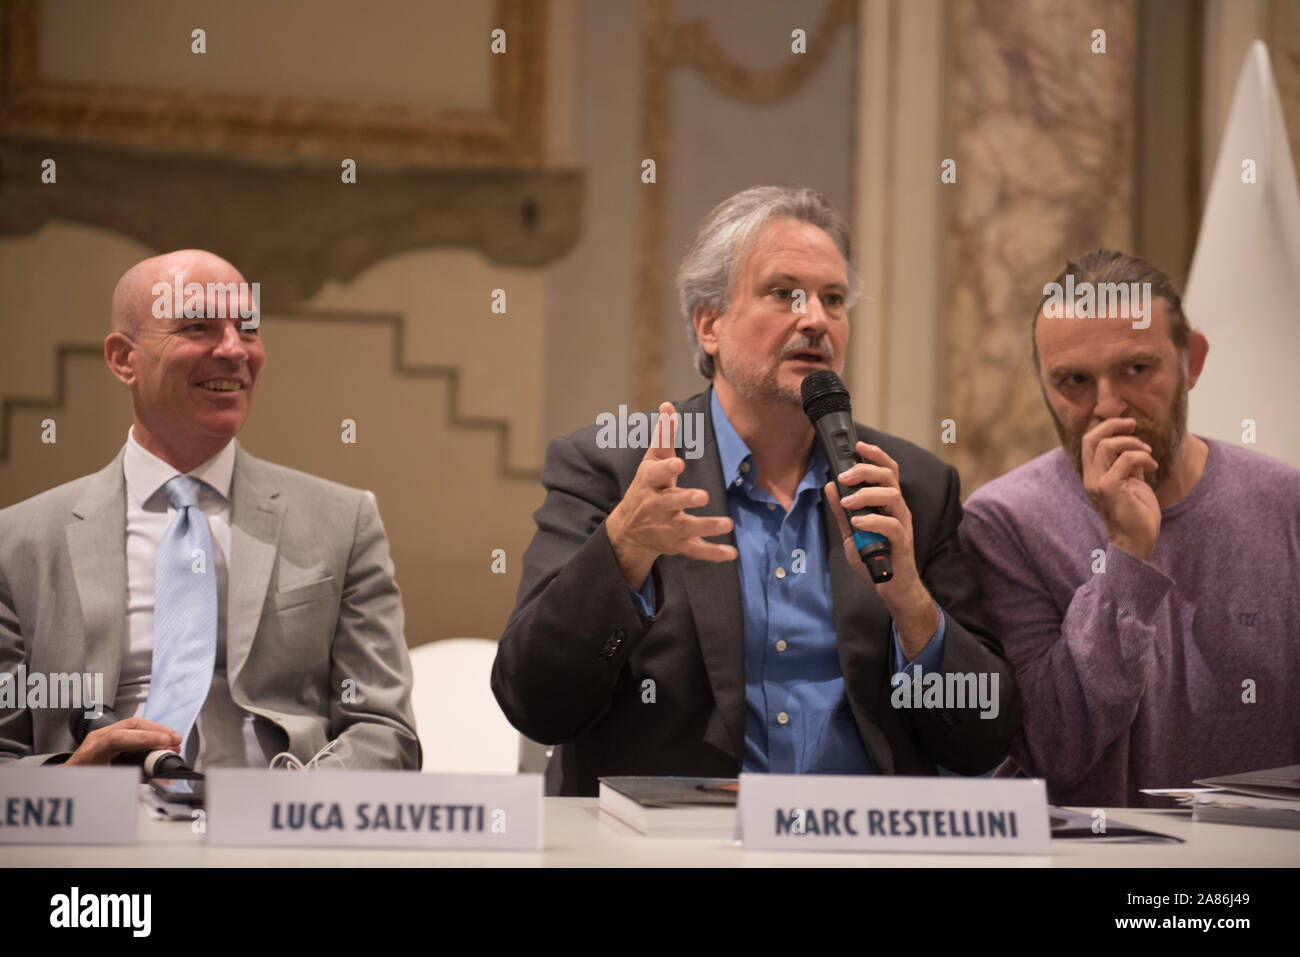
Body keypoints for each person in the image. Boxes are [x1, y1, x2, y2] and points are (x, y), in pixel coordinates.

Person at [493, 186, 1019, 796]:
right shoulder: (613, 472)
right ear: (709, 324)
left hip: (859, 834)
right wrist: (622, 552)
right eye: (783, 293)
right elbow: (534, 703)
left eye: (833, 300)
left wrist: (910, 603)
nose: (815, 319)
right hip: (669, 838)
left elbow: (983, 738)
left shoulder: (909, 487)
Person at [0, 250, 420, 770]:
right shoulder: (18, 542)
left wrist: (296, 804)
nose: (234, 349)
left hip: (280, 807)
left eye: (248, 329)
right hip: (101, 813)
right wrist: (70, 781)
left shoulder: (344, 521)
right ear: (123, 359)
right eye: (198, 327)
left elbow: (383, 728)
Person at [960, 249, 1300, 807]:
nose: (1109, 407)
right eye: (1074, 380)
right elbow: (1052, 750)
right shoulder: (1004, 522)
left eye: (1136, 370)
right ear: (1043, 386)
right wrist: (1128, 553)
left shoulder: (1286, 505)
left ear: (1192, 361)